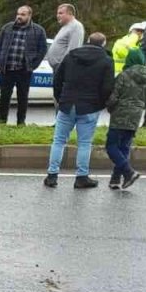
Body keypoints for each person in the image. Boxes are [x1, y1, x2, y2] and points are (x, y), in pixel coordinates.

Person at [45, 32, 115, 189]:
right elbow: (107, 87)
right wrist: (100, 103)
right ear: (103, 44)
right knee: (84, 143)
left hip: (67, 103)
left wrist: (60, 97)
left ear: (87, 41)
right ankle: (81, 176)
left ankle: (52, 175)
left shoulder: (71, 55)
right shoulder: (106, 60)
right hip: (90, 106)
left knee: (58, 140)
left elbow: (58, 78)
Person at [104, 43, 146, 190]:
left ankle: (129, 172)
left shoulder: (124, 75)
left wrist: (109, 107)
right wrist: (138, 107)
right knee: (124, 147)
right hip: (136, 116)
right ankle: (116, 180)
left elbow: (114, 97)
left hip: (120, 114)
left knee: (111, 146)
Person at [0, 5, 48, 125]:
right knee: (4, 96)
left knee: (22, 97)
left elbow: (42, 50)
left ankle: (21, 122)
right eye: (18, 14)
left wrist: (33, 65)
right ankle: (2, 121)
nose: (19, 17)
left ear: (29, 15)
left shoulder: (38, 30)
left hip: (24, 70)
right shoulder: (7, 28)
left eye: (23, 14)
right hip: (7, 69)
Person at [47, 3, 86, 74]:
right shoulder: (65, 26)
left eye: (61, 13)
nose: (58, 16)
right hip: (58, 68)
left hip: (64, 69)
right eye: (57, 13)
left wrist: (62, 66)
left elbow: (73, 50)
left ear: (70, 14)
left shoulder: (76, 26)